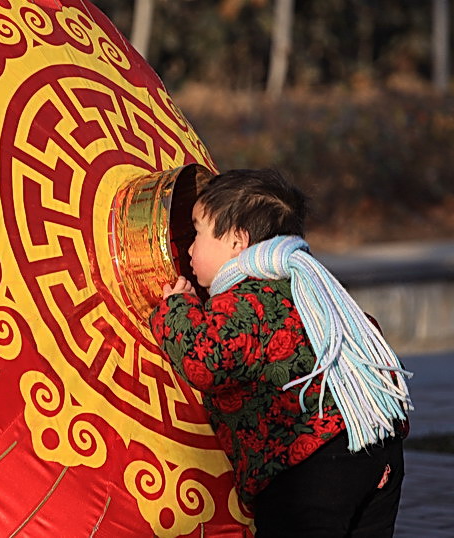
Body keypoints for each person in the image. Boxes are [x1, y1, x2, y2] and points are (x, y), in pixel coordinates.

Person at [150, 169, 412, 537]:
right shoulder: (312, 288)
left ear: (238, 242)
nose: (189, 248)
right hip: (378, 452)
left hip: (308, 467)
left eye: (197, 232)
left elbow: (207, 360)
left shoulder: (246, 300)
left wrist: (175, 309)